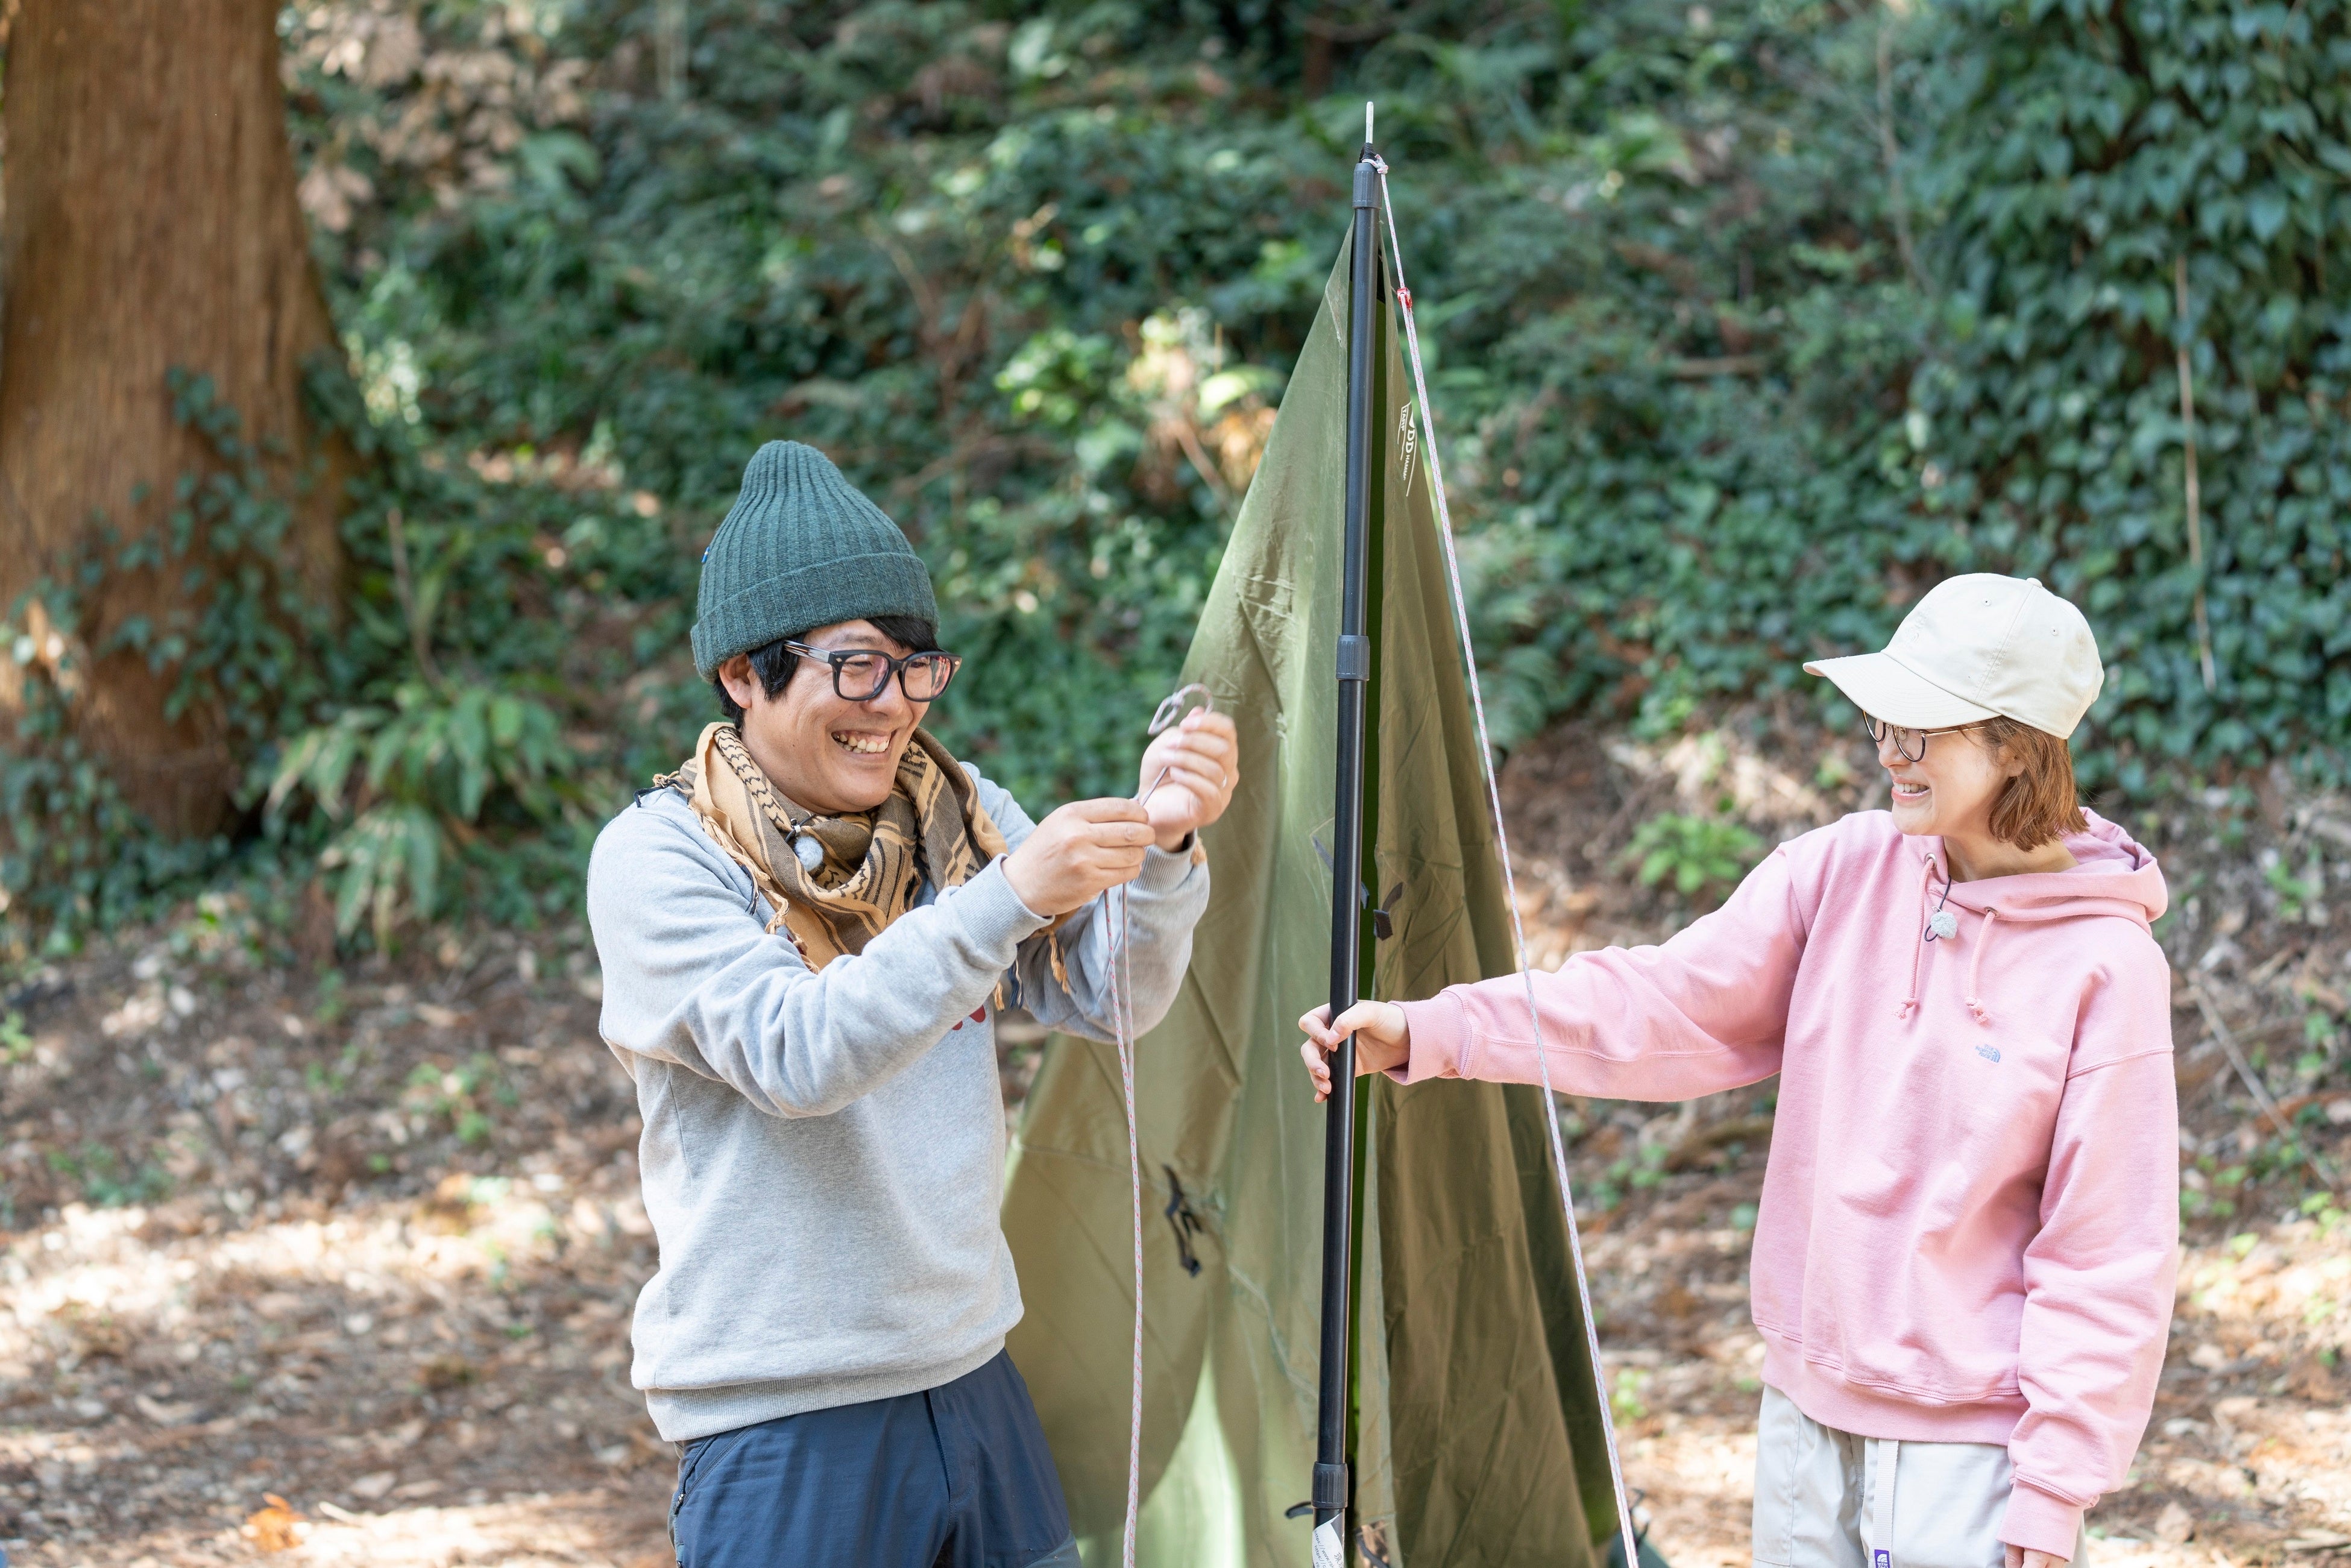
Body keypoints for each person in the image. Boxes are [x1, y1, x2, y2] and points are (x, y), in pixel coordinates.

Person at [1301, 573, 2176, 1568]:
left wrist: (2054, 1493)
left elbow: (2107, 1256)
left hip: (1973, 1459)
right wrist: (1430, 1029)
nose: (1888, 749)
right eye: (1882, 720)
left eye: (1919, 728)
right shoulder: (1842, 870)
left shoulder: (2106, 968)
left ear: (2016, 745)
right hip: (1804, 1416)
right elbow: (1662, 1001)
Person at [587, 440, 1238, 1568]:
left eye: (914, 667)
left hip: (974, 1380)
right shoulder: (659, 858)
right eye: (855, 668)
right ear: (745, 673)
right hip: (780, 1419)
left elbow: (1110, 996)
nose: (891, 707)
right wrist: (1006, 898)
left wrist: (1169, 843)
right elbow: (799, 1054)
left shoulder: (958, 811)